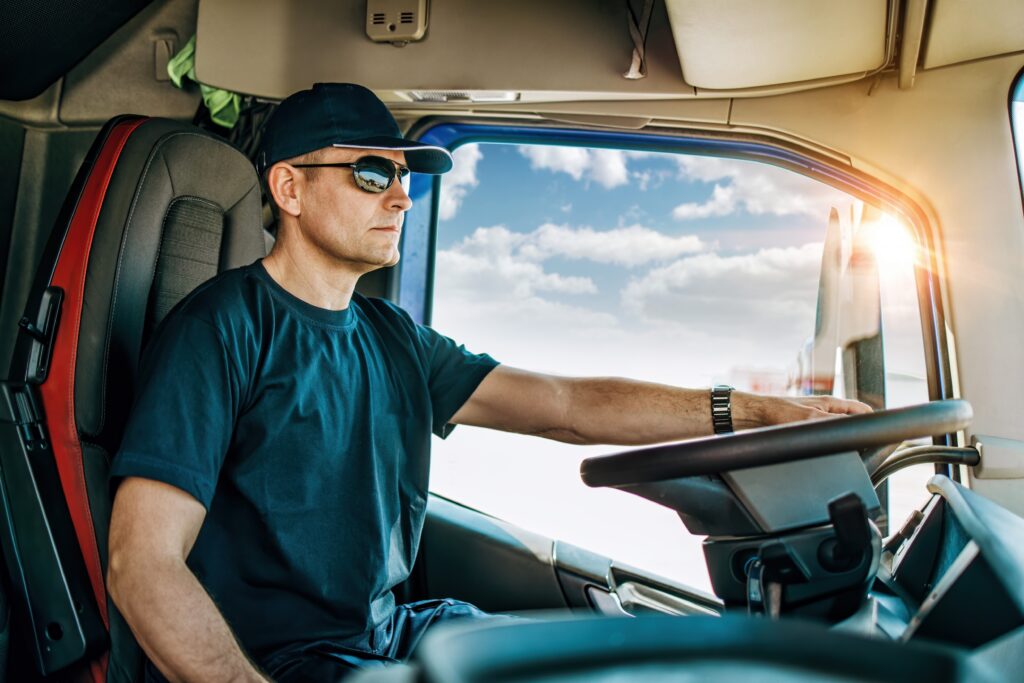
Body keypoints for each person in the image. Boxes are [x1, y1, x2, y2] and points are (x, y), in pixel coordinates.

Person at [107, 83, 870, 682]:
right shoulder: (220, 330)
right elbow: (141, 563)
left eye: (404, 175)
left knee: (619, 663)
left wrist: (756, 411)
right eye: (372, 172)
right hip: (288, 662)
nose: (401, 196)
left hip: (395, 633)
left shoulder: (393, 338)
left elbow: (568, 405)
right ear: (290, 188)